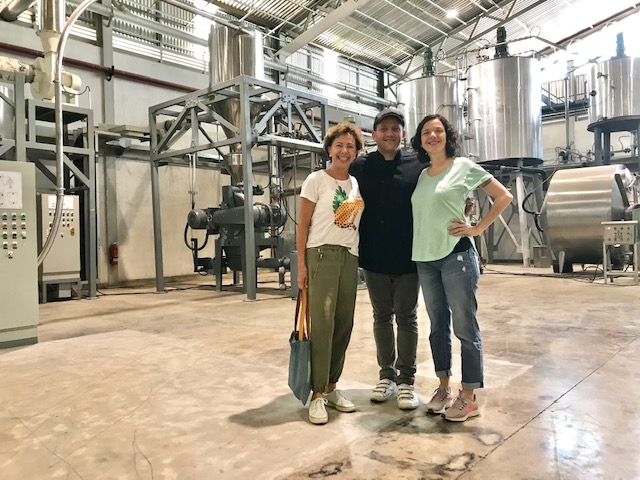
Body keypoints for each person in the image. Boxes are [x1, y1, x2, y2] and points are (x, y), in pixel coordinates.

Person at [410, 114, 512, 422]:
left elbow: (503, 196)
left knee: (465, 328)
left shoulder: (463, 167)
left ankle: (468, 396)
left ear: (448, 136)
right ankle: (444, 388)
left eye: (438, 131)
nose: (432, 136)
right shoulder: (423, 175)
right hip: (425, 258)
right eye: (426, 132)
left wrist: (477, 228)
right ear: (420, 140)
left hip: (456, 256)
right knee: (437, 327)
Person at [349, 108, 425, 410]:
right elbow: (342, 196)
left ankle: (406, 381)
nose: (390, 133)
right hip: (373, 256)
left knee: (407, 317)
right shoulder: (359, 166)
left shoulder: (418, 164)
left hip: (409, 256)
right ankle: (386, 376)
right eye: (384, 129)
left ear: (402, 134)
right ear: (374, 134)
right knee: (381, 317)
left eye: (395, 128)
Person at [296, 122, 365, 425]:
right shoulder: (316, 180)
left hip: (349, 257)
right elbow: (302, 225)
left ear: (356, 152)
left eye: (350, 146)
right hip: (321, 255)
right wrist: (301, 265)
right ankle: (317, 393)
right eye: (339, 145)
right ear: (329, 149)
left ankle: (332, 386)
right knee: (322, 325)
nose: (344, 151)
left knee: (343, 324)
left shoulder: (355, 184)